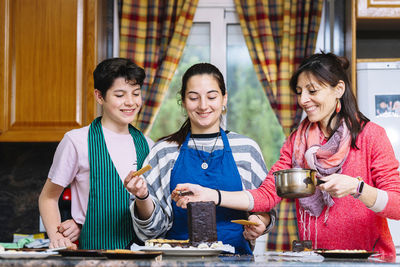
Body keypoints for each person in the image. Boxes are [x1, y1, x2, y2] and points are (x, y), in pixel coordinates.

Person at [172, 53, 400, 260]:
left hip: (371, 261)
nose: (303, 100)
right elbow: (266, 195)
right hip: (317, 260)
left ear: (338, 89)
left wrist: (357, 188)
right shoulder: (297, 141)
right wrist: (210, 195)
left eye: (312, 91)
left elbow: (397, 206)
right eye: (299, 92)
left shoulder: (371, 136)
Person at [124, 63, 275, 255]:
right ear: (184, 101)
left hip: (236, 260)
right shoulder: (164, 152)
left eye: (211, 97)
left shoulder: (247, 150)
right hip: (177, 262)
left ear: (224, 98)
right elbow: (151, 231)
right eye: (194, 98)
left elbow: (265, 208)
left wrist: (260, 222)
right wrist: (142, 196)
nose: (203, 105)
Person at [38, 58, 153, 250]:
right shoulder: (77, 141)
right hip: (93, 256)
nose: (130, 102)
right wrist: (58, 237)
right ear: (99, 96)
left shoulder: (148, 145)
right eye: (119, 95)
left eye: (136, 94)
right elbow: (48, 197)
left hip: (141, 256)